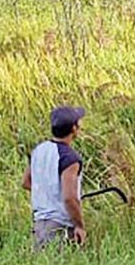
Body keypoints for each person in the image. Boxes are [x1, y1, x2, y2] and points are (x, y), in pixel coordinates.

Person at [23, 106, 87, 249]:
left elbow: (26, 182)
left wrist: (48, 194)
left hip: (39, 225)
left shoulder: (39, 150)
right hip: (60, 227)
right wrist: (80, 226)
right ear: (74, 128)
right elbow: (69, 198)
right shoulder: (70, 158)